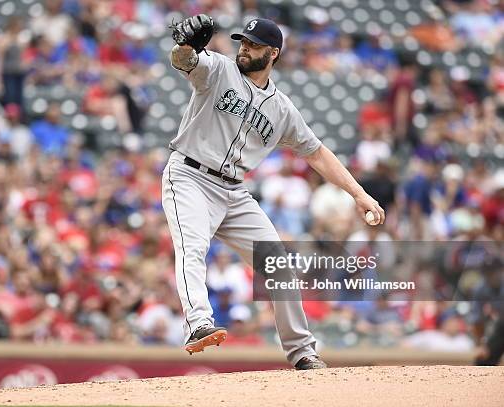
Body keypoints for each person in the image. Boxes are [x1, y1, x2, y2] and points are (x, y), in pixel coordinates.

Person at [163, 15, 385, 370]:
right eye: (243, 42)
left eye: (253, 45)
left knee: (279, 265)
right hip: (190, 176)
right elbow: (185, 62)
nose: (245, 48)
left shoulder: (282, 109)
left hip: (234, 191)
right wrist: (185, 46)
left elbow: (317, 153)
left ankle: (303, 354)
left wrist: (358, 193)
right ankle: (198, 323)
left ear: (274, 54)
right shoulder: (218, 69)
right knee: (193, 247)